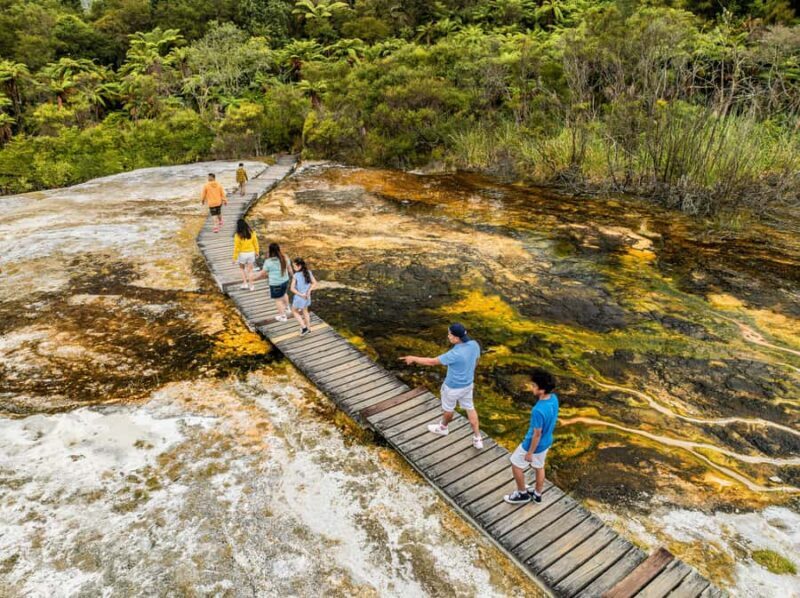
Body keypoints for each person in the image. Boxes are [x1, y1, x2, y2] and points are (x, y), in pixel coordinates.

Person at [399, 323, 483, 450]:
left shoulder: (454, 353)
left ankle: (443, 428)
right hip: (468, 385)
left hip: (452, 388)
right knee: (470, 409)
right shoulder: (474, 345)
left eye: (449, 334)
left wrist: (413, 358)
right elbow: (476, 360)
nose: (448, 336)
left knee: (448, 410)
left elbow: (432, 362)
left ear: (456, 338)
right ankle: (477, 438)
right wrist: (469, 372)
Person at [504, 368, 559, 505]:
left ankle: (522, 493)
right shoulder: (554, 399)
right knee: (539, 467)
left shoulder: (538, 410)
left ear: (542, 390)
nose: (531, 387)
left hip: (531, 445)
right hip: (546, 442)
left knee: (516, 464)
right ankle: (538, 494)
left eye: (534, 385)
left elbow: (536, 434)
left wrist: (529, 452)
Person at [255, 242, 293, 321]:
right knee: (284, 293)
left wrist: (253, 277)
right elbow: (289, 269)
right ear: (279, 249)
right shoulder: (285, 257)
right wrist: (293, 277)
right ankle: (288, 308)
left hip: (276, 284)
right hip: (285, 281)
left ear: (270, 251)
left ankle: (283, 316)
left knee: (278, 300)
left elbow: (262, 273)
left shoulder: (268, 261)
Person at [290, 258, 317, 335]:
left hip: (300, 297)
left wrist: (301, 294)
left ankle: (304, 328)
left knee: (294, 311)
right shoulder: (309, 272)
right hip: (307, 297)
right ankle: (308, 328)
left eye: (294, 266)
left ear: (300, 266)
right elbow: (315, 283)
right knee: (305, 311)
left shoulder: (296, 275)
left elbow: (292, 289)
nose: (293, 268)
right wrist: (309, 291)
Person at [232, 218, 259, 291]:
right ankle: (251, 286)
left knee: (242, 269)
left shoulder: (237, 235)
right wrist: (257, 251)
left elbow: (236, 248)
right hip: (251, 253)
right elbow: (255, 243)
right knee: (250, 271)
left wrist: (234, 258)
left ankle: (245, 283)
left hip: (242, 254)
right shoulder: (252, 233)